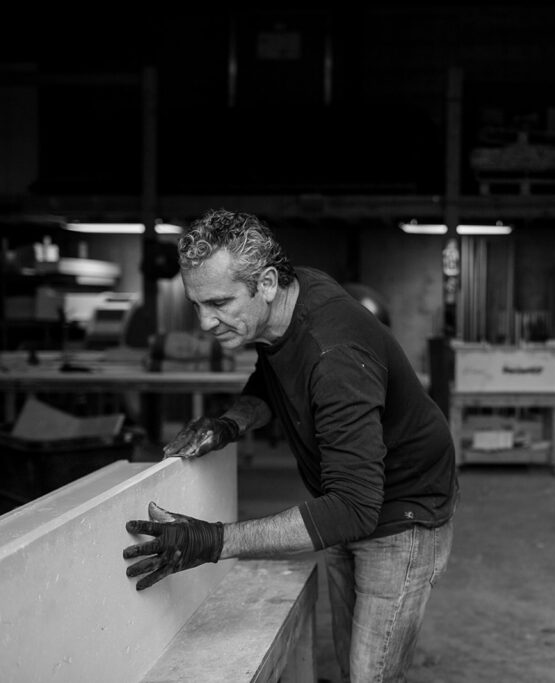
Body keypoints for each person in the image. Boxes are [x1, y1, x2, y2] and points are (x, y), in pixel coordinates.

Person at [122, 208, 458, 682]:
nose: (205, 322)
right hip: (353, 490)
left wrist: (214, 540)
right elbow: (274, 376)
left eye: (218, 302)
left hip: (404, 506)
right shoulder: (294, 299)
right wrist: (228, 424)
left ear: (266, 282)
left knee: (370, 674)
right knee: (347, 657)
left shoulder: (335, 357)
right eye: (196, 304)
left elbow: (353, 511)